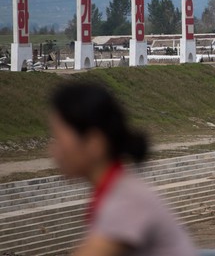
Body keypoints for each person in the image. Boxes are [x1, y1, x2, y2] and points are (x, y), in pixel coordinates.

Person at [48, 83, 196, 256]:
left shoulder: (126, 202)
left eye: (58, 139)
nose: (53, 151)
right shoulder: (121, 191)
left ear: (95, 143)